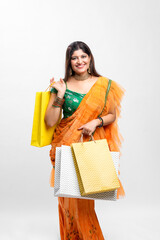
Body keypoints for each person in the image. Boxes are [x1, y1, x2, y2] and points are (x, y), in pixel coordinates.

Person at [45, 41, 125, 240]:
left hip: (88, 147)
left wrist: (95, 122)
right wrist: (60, 95)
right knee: (67, 195)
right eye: (74, 58)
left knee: (84, 196)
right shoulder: (61, 85)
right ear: (69, 62)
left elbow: (112, 115)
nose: (79, 61)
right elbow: (50, 121)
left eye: (83, 56)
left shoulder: (105, 85)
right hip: (66, 145)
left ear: (90, 58)